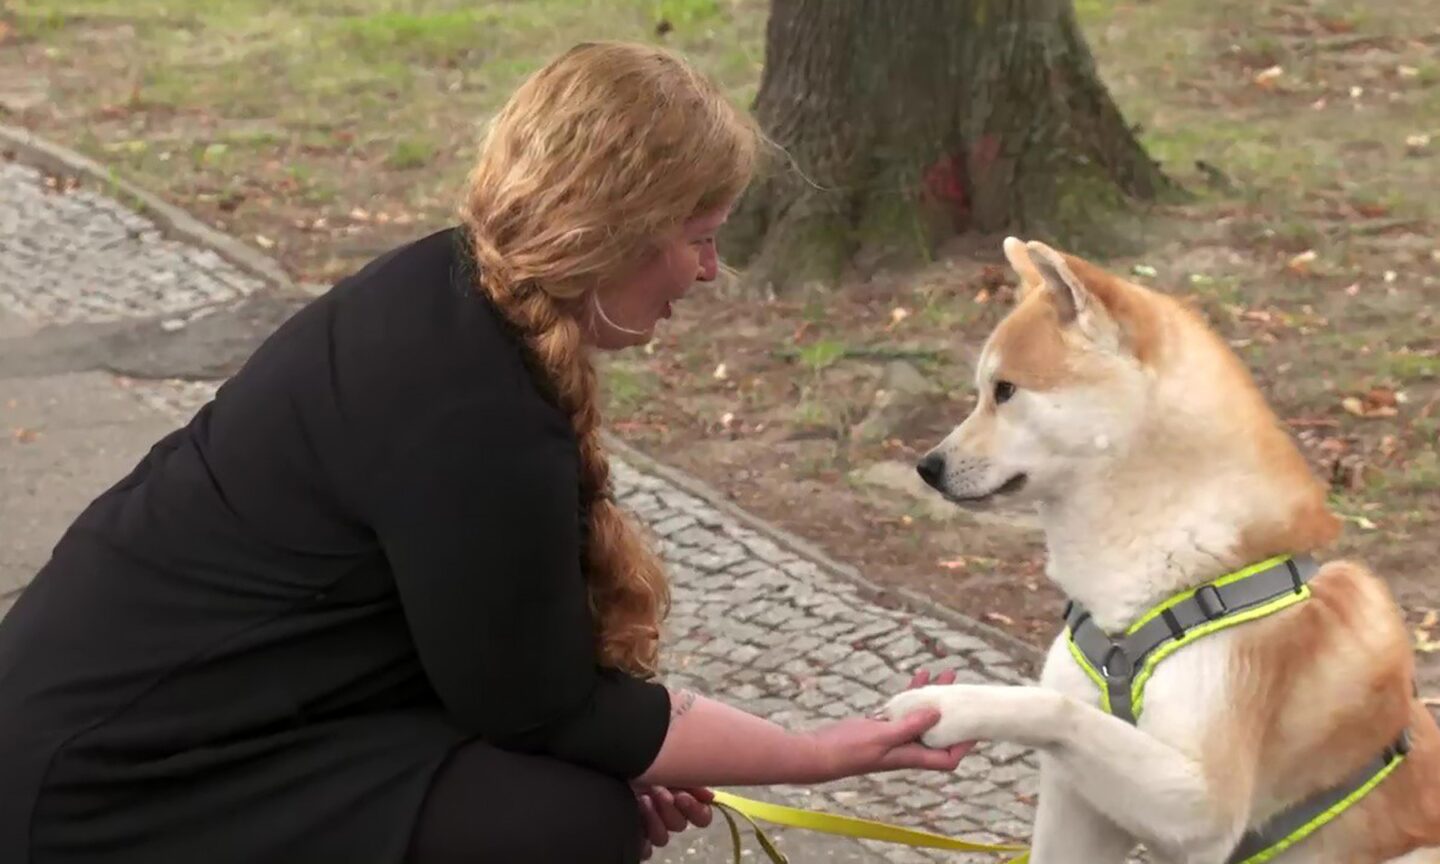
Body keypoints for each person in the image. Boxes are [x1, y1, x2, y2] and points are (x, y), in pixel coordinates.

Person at [0, 40, 969, 864]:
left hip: (161, 717)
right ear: (618, 228)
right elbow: (543, 709)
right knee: (562, 824)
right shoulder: (470, 403)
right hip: (109, 783)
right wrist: (820, 751)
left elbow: (497, 663)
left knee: (562, 793)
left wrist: (634, 747)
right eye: (700, 238)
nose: (711, 272)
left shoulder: (448, 293)